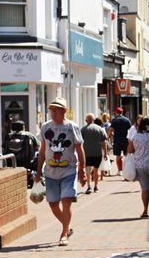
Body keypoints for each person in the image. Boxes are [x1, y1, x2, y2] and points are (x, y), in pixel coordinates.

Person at [35, 97, 87, 246]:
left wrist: (82, 170)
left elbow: (79, 148)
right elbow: (43, 150)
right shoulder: (45, 127)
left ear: (64, 111)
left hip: (69, 170)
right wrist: (38, 173)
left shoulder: (72, 127)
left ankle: (64, 233)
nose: (53, 112)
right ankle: (68, 226)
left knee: (66, 202)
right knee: (52, 204)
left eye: (57, 110)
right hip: (50, 172)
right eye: (52, 110)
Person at [81, 113, 108, 194]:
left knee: (88, 171)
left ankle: (89, 186)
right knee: (96, 170)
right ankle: (96, 186)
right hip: (97, 153)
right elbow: (104, 141)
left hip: (87, 153)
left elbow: (79, 142)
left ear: (86, 120)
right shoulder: (100, 129)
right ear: (93, 120)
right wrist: (105, 153)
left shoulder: (83, 129)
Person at [108, 107, 132, 176]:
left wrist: (108, 137)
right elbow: (130, 130)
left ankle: (119, 170)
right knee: (126, 155)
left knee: (118, 155)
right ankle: (126, 169)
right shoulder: (127, 120)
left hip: (117, 140)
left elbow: (110, 130)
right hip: (125, 139)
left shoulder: (114, 120)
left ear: (116, 113)